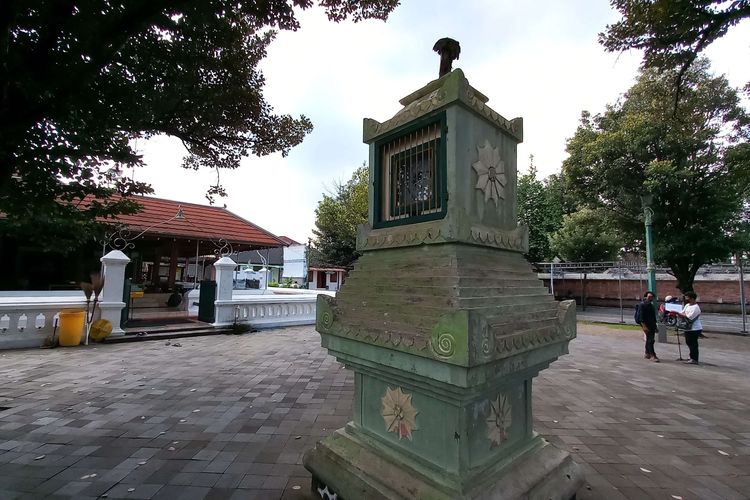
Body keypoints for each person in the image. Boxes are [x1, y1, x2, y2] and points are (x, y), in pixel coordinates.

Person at [679, 291, 702, 364]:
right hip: (688, 328)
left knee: (693, 344)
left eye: (687, 298)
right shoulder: (687, 305)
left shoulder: (696, 308)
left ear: (692, 299)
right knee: (688, 342)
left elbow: (689, 317)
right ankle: (691, 356)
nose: (686, 300)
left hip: (695, 328)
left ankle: (694, 359)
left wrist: (683, 314)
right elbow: (682, 313)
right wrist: (682, 314)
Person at [636, 291, 659, 362]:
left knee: (649, 339)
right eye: (649, 296)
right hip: (646, 325)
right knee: (651, 340)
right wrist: (644, 326)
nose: (650, 298)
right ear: (646, 297)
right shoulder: (642, 305)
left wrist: (655, 326)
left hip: (652, 325)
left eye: (652, 297)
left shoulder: (651, 305)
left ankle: (647, 353)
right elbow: (641, 317)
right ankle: (652, 355)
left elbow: (653, 317)